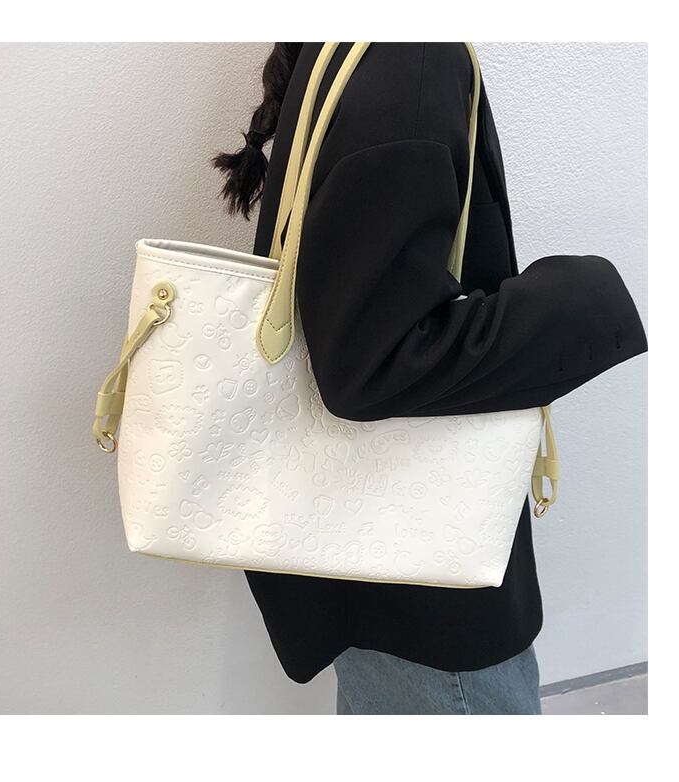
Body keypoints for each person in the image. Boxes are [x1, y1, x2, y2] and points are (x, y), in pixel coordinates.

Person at [212, 42, 647, 715]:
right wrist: (586, 302)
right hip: (428, 598)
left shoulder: (364, 48)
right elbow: (372, 362)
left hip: (375, 558)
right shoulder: (408, 56)